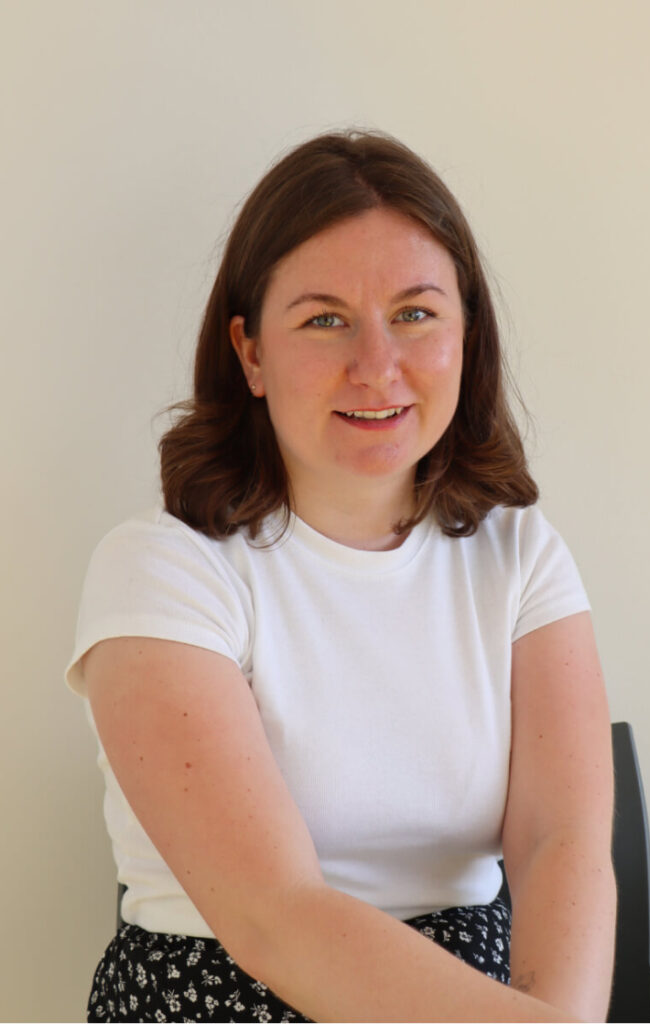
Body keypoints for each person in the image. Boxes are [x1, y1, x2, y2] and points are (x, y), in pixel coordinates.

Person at [66, 129, 616, 1023]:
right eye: (325, 319)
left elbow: (564, 844)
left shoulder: (521, 551)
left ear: (467, 335)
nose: (376, 365)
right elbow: (275, 919)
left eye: (416, 313)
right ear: (250, 352)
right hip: (222, 995)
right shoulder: (160, 567)